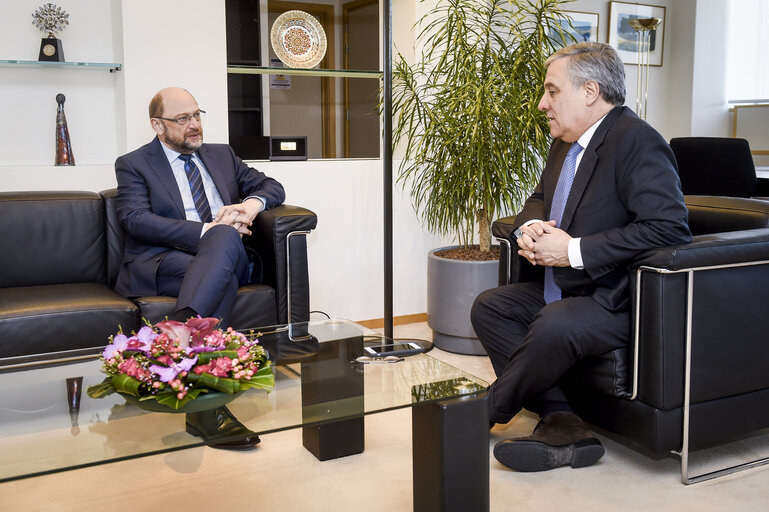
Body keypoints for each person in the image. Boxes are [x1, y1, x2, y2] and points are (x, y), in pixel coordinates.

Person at [470, 42, 692, 472]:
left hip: (615, 298)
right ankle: (562, 421)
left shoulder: (637, 142)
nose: (542, 103)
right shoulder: (566, 142)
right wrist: (529, 227)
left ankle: (480, 412)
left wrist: (572, 250)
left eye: (552, 91)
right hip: (564, 290)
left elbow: (669, 227)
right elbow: (538, 198)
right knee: (490, 307)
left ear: (590, 91)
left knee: (557, 322)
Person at [114, 87, 285, 450]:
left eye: (196, 115)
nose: (194, 125)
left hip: (227, 255)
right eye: (182, 119)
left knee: (224, 241)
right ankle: (206, 407)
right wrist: (208, 230)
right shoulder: (134, 163)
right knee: (222, 241)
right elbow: (134, 219)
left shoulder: (221, 155)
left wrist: (251, 206)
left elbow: (273, 186)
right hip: (165, 259)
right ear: (157, 125)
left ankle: (179, 338)